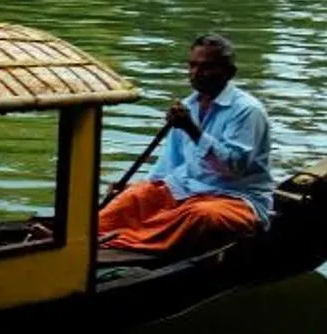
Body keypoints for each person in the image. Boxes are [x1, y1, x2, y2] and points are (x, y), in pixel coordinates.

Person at [96, 32, 273, 262]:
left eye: (206, 67)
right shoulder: (189, 105)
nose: (196, 73)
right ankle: (85, 237)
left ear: (229, 73)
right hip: (185, 188)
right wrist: (139, 186)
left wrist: (192, 129)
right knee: (134, 196)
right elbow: (169, 163)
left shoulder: (248, 111)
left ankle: (126, 244)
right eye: (192, 66)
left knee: (201, 215)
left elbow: (233, 167)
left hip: (234, 198)